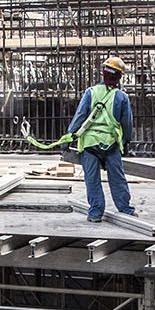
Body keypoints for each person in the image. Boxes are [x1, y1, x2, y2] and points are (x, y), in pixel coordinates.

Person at [66, 56, 136, 221]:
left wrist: (69, 137)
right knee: (117, 178)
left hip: (90, 144)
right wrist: (126, 142)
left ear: (103, 73)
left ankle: (96, 213)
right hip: (111, 144)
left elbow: (80, 117)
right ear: (119, 77)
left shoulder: (90, 93)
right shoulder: (121, 97)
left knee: (92, 179)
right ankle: (125, 210)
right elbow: (127, 123)